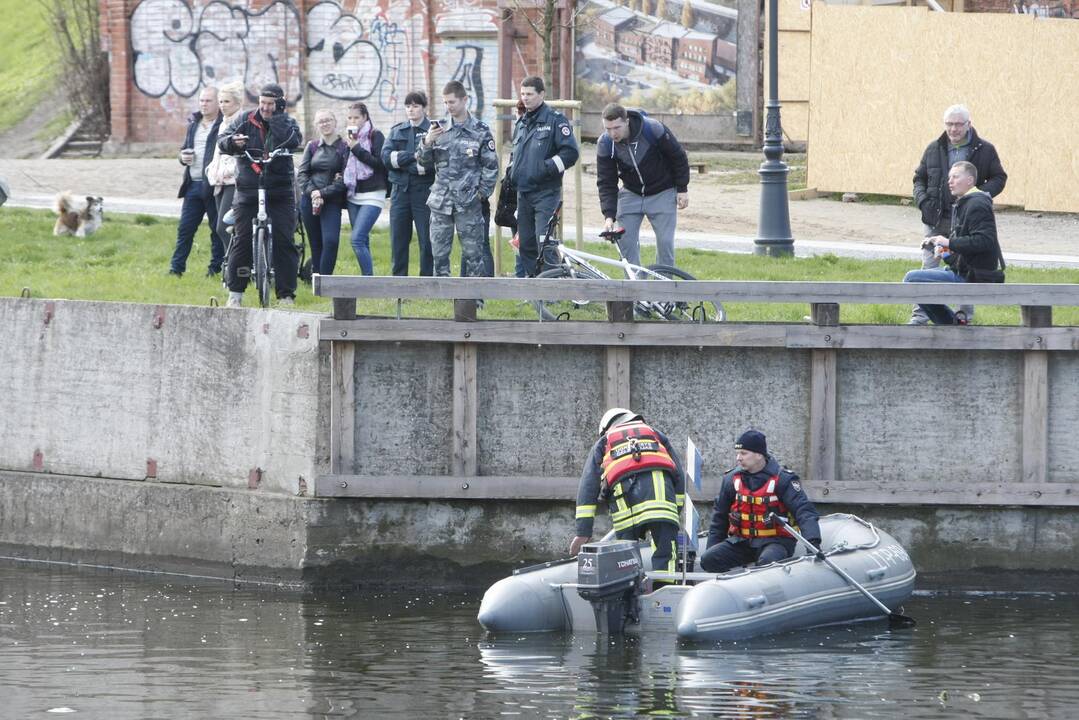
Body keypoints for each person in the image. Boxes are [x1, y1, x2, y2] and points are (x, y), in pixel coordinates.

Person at [910, 104, 1007, 325]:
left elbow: (999, 177)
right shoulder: (934, 148)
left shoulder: (984, 149)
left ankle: (963, 315)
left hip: (966, 217)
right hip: (937, 216)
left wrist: (980, 195)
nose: (953, 129)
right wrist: (923, 201)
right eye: (949, 124)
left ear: (968, 125)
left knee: (965, 264)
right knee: (930, 262)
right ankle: (920, 315)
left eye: (958, 125)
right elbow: (919, 178)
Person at [570, 408, 686, 573]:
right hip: (664, 506)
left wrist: (583, 531)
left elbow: (588, 488)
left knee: (626, 559)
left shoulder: (604, 441)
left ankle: (632, 591)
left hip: (626, 510)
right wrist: (676, 509)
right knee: (666, 554)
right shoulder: (655, 434)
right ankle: (664, 592)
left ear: (606, 428)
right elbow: (678, 474)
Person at [217, 83, 302, 307]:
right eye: (262, 103)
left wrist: (278, 118)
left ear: (280, 104)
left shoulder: (286, 121)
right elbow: (223, 140)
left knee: (285, 240)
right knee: (242, 239)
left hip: (280, 189)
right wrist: (232, 143)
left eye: (271, 104)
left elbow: (294, 140)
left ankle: (285, 295)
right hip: (248, 188)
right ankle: (235, 293)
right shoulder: (245, 119)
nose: (265, 108)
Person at [700, 430, 821, 574]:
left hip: (776, 542)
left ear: (759, 455)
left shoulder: (783, 479)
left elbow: (804, 512)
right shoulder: (731, 479)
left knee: (767, 562)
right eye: (738, 453)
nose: (738, 458)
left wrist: (813, 547)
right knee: (709, 559)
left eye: (744, 453)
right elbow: (719, 519)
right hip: (742, 542)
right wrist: (713, 549)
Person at [415, 81, 498, 281]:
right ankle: (441, 300)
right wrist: (427, 142)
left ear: (464, 100)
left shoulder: (480, 130)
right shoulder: (438, 129)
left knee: (473, 255)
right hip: (441, 203)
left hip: (468, 203)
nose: (448, 106)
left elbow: (491, 166)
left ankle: (472, 300)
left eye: (452, 102)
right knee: (439, 255)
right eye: (445, 102)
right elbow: (422, 162)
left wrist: (481, 194)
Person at [903, 160, 1004, 326]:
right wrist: (942, 249)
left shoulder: (977, 203)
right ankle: (954, 326)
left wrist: (948, 241)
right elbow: (964, 251)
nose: (950, 181)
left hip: (974, 276)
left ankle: (952, 325)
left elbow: (985, 240)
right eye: (949, 177)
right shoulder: (965, 203)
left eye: (955, 177)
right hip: (965, 271)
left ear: (970, 181)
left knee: (911, 279)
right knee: (915, 279)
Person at [596, 103, 690, 268]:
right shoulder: (605, 143)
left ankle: (663, 288)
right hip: (631, 192)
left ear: (627, 121)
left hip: (663, 191)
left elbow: (678, 157)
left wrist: (682, 188)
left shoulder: (652, 129)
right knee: (626, 244)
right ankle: (635, 287)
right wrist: (609, 216)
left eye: (616, 127)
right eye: (607, 128)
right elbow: (606, 182)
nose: (612, 133)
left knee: (665, 243)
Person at [508, 76, 579, 277]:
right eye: (523, 94)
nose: (525, 98)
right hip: (523, 193)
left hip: (546, 193)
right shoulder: (522, 122)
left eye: (530, 94)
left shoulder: (555, 120)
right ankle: (535, 290)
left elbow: (570, 153)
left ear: (541, 94)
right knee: (527, 243)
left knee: (544, 242)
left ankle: (553, 288)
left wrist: (544, 168)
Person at [169, 86, 223, 277]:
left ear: (218, 103)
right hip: (192, 184)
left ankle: (215, 269)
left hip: (214, 185)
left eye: (208, 101)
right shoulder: (194, 123)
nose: (204, 104)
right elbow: (184, 150)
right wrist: (182, 158)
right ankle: (176, 269)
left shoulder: (223, 124)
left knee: (217, 231)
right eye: (201, 100)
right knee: (185, 229)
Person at [382, 91, 435, 276]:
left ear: (424, 108)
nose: (411, 110)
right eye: (408, 106)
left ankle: (427, 284)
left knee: (427, 241)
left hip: (424, 193)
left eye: (415, 106)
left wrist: (401, 162)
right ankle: (398, 286)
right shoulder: (397, 130)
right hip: (400, 193)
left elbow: (430, 165)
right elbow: (386, 159)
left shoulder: (433, 130)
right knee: (398, 241)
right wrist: (413, 157)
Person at [297, 109, 348, 275]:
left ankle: (326, 279)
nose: (325, 124)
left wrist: (322, 193)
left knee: (331, 241)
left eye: (328, 120)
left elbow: (346, 178)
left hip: (332, 200)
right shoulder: (311, 147)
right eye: (321, 121)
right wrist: (313, 192)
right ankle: (317, 279)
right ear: (316, 125)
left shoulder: (345, 147)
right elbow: (302, 174)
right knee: (316, 242)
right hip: (309, 201)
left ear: (335, 122)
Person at [343, 102, 388, 275]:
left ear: (365, 117)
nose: (352, 121)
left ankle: (368, 280)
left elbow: (380, 164)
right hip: (354, 194)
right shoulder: (348, 139)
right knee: (363, 241)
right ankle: (367, 279)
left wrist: (356, 149)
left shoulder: (375, 136)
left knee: (356, 239)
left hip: (374, 193)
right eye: (349, 118)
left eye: (356, 117)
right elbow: (346, 165)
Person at [205, 80, 244, 268]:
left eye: (226, 102)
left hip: (234, 181)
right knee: (221, 227)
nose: (222, 105)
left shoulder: (241, 121)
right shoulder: (223, 123)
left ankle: (238, 263)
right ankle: (234, 263)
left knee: (223, 226)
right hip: (219, 179)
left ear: (237, 103)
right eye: (220, 102)